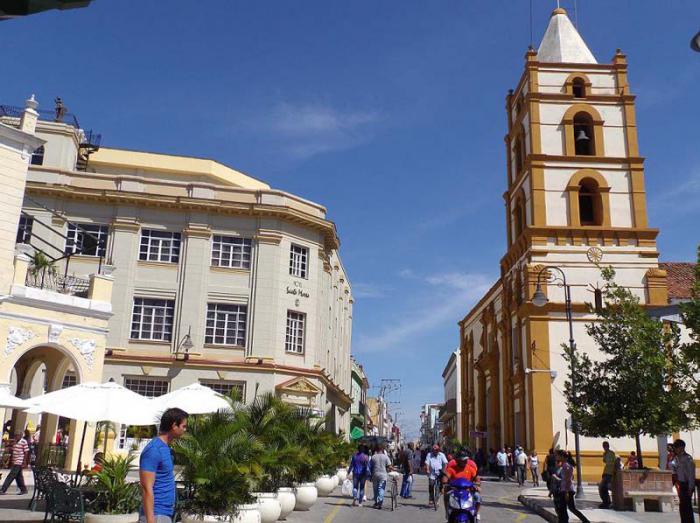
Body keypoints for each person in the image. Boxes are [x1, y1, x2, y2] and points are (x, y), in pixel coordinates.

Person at [139, 407, 188, 523]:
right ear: (174, 425)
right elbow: (146, 488)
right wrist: (150, 520)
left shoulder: (165, 448)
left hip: (164, 514)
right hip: (156, 515)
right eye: (183, 426)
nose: (185, 430)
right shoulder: (154, 450)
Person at [443, 450, 481, 521]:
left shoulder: (470, 468)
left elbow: (477, 478)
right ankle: (447, 512)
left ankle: (477, 513)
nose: (465, 461)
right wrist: (445, 482)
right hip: (454, 490)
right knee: (446, 495)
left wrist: (477, 485)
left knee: (477, 496)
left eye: (466, 460)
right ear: (457, 460)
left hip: (468, 490)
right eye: (462, 460)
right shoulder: (451, 469)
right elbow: (445, 477)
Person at [552, 450, 589, 523]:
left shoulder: (567, 466)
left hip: (567, 490)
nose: (557, 457)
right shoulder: (564, 465)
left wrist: (566, 492)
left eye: (558, 455)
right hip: (565, 489)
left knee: (564, 508)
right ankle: (585, 521)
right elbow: (564, 479)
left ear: (562, 456)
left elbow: (568, 480)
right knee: (569, 508)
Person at [671, 439, 696, 523]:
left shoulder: (688, 458)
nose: (675, 449)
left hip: (687, 485)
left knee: (687, 507)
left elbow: (691, 474)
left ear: (682, 448)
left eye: (676, 447)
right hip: (681, 484)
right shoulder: (676, 458)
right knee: (682, 507)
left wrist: (690, 488)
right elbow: (673, 467)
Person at [369, 443, 392, 509]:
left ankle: (376, 502)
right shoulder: (385, 457)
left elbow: (370, 467)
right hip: (383, 475)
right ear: (382, 449)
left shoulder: (373, 457)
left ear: (376, 449)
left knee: (375, 489)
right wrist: (392, 469)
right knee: (381, 488)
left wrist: (370, 475)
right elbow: (389, 466)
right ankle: (380, 502)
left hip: (375, 474)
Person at [598, 441, 615, 509]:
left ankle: (607, 502)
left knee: (603, 487)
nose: (604, 447)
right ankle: (607, 502)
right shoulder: (605, 453)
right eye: (604, 446)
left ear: (608, 446)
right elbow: (605, 461)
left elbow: (610, 462)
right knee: (604, 488)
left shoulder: (611, 453)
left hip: (609, 473)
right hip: (606, 472)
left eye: (605, 446)